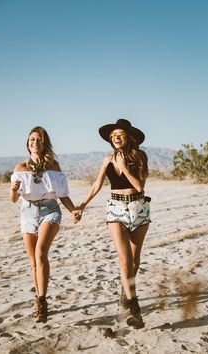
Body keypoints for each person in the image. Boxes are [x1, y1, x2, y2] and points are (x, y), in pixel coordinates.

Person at [78, 118, 150, 329]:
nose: (116, 137)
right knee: (125, 259)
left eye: (120, 134)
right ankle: (135, 309)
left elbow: (139, 187)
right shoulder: (107, 159)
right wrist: (82, 205)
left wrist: (124, 169)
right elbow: (97, 184)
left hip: (138, 209)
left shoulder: (139, 156)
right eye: (113, 135)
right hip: (115, 209)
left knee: (135, 260)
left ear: (128, 137)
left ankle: (124, 294)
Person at [10, 126, 79, 323]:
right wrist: (14, 190)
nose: (35, 142)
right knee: (33, 262)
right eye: (32, 139)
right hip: (28, 213)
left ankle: (42, 300)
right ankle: (39, 302)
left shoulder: (54, 167)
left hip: (50, 210)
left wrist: (73, 210)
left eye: (39, 139)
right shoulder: (20, 168)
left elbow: (62, 194)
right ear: (27, 143)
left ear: (44, 143)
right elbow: (14, 199)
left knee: (41, 253)